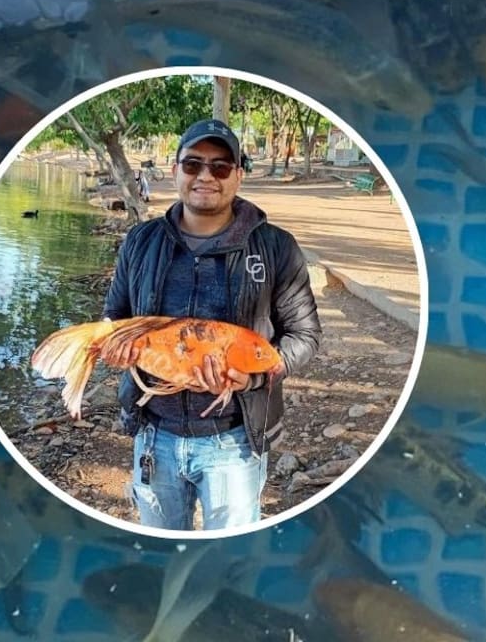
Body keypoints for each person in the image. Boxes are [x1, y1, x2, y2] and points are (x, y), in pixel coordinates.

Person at [101, 118, 322, 531]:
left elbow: (305, 335)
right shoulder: (140, 242)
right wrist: (112, 347)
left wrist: (252, 379)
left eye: (220, 167)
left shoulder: (276, 247)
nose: (206, 176)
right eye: (193, 165)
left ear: (238, 174)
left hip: (233, 443)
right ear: (175, 171)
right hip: (153, 435)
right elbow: (115, 319)